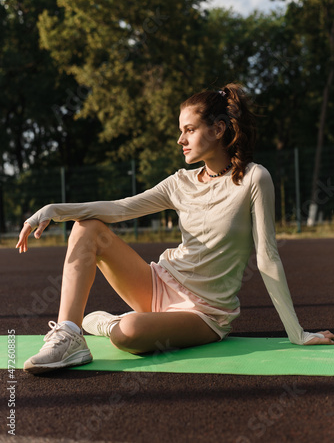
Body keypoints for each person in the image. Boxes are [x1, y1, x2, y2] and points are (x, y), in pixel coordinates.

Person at [16, 83, 334, 374]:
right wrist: (54, 210)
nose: (180, 139)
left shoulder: (254, 179)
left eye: (189, 130)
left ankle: (111, 323)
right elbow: (119, 208)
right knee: (87, 227)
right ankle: (69, 336)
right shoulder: (178, 183)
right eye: (181, 131)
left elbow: (267, 258)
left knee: (129, 334)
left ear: (219, 129)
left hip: (205, 312)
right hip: (159, 284)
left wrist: (298, 334)